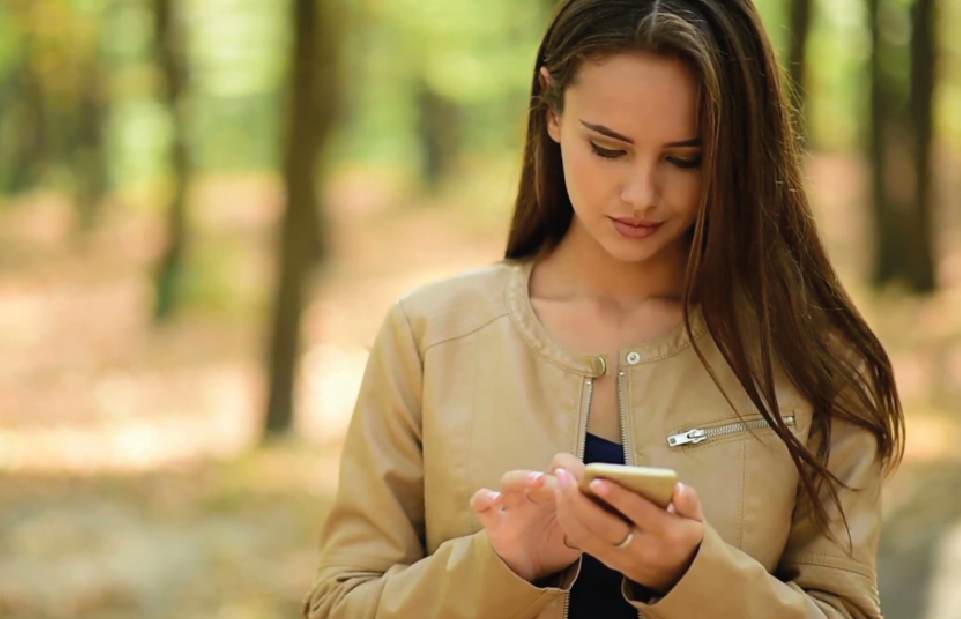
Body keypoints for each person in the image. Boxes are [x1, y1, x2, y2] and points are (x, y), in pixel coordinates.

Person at [302, 0, 905, 617]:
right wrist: (502, 568)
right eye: (609, 148)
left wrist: (691, 576)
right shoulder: (430, 337)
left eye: (684, 158)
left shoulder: (817, 361)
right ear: (553, 109)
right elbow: (338, 606)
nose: (641, 194)